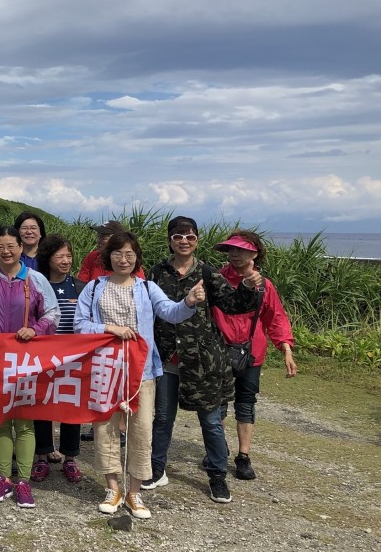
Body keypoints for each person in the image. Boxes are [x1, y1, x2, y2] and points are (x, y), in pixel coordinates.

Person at [74, 230, 204, 520]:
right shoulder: (94, 287)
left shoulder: (147, 287)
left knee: (142, 429)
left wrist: (189, 301)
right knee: (104, 428)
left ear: (137, 257)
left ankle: (134, 492)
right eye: (117, 253)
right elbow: (79, 324)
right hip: (104, 368)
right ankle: (112, 489)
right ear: (108, 257)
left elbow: (170, 312)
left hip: (141, 370)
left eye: (129, 254)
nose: (123, 259)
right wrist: (109, 328)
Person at [145, 216, 263, 504]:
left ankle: (217, 475)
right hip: (167, 358)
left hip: (204, 360)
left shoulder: (208, 273)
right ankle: (156, 468)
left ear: (196, 241)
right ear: (170, 241)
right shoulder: (156, 272)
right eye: (178, 236)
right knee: (163, 418)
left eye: (190, 237)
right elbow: (146, 311)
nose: (184, 241)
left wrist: (248, 287)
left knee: (210, 421)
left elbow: (234, 305)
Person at [0, 226, 59, 508]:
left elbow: (52, 313)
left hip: (27, 359)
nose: (5, 252)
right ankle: (3, 477)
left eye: (11, 246)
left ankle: (24, 481)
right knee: (1, 418)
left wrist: (36, 330)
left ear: (21, 247)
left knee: (25, 420)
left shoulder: (36, 279)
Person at [212, 230, 297, 481]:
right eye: (232, 249)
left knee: (246, 403)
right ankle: (218, 451)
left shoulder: (264, 286)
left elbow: (276, 318)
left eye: (242, 250)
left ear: (254, 254)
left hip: (252, 353)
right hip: (220, 349)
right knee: (218, 404)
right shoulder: (217, 280)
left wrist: (286, 349)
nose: (235, 254)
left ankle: (243, 456)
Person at [31, 234, 84, 482]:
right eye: (59, 256)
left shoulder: (81, 286)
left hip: (74, 358)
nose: (65, 261)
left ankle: (70, 458)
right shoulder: (36, 285)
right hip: (43, 357)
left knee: (71, 407)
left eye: (69, 256)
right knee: (41, 405)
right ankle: (42, 457)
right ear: (47, 257)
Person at [77, 221, 146, 282]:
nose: (98, 241)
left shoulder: (129, 263)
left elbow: (139, 287)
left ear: (117, 239)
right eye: (98, 236)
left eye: (103, 237)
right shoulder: (92, 257)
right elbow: (82, 283)